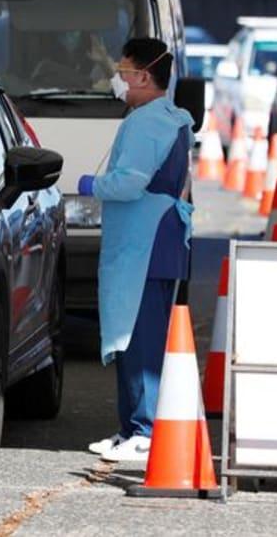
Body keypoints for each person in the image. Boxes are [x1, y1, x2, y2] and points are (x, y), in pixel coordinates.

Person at [77, 38, 194, 464]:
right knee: (130, 337)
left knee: (142, 340)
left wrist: (93, 186)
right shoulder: (162, 118)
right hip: (145, 242)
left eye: (123, 71)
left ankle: (144, 430)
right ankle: (131, 428)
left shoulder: (148, 122)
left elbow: (130, 182)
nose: (117, 80)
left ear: (144, 76)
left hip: (146, 244)